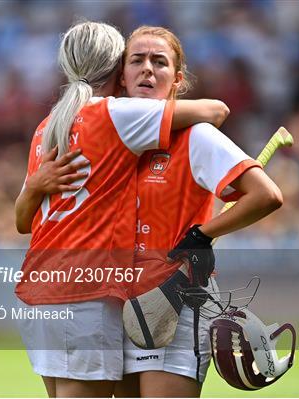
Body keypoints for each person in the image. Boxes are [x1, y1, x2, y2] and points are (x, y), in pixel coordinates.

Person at [17, 25, 283, 397]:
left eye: (159, 62)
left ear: (177, 80)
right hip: (120, 306)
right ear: (120, 77)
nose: (147, 69)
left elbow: (265, 194)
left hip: (174, 300)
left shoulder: (196, 136)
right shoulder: (115, 134)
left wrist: (202, 235)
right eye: (137, 60)